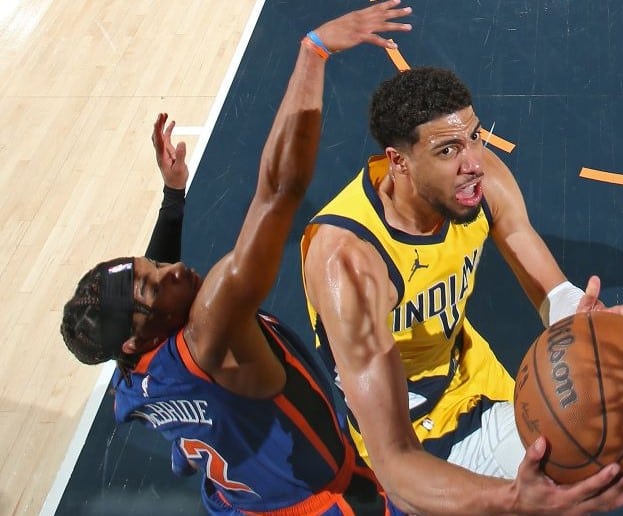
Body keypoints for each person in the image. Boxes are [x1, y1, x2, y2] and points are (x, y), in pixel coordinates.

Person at [299, 66, 623, 515]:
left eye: (475, 136)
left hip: (475, 378)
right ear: (398, 163)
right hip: (419, 434)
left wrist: (579, 317)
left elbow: (549, 286)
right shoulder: (351, 264)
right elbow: (394, 463)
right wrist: (512, 499)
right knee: (597, 448)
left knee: (620, 402)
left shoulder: (480, 182)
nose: (473, 163)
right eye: (448, 151)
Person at [58, 3, 414, 513]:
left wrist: (174, 196)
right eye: (155, 284)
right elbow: (280, 190)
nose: (173, 269)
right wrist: (313, 54)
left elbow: (149, 297)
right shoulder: (212, 328)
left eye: (151, 265)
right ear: (139, 334)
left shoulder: (130, 381)